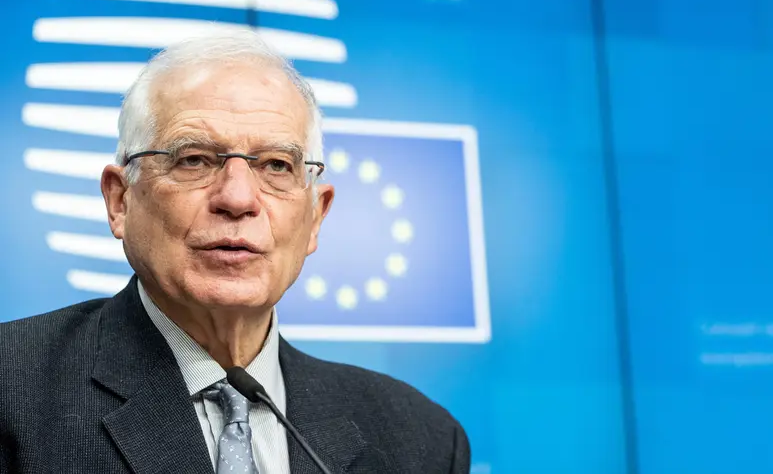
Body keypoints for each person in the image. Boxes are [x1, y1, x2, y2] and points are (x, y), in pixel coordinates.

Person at [0, 31, 470, 473]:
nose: (239, 199)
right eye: (194, 159)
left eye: (276, 166)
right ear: (120, 200)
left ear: (315, 217)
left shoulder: (420, 438)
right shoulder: (12, 389)